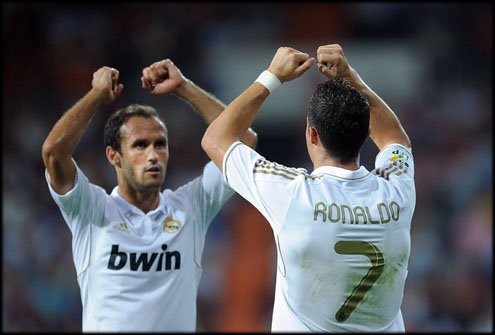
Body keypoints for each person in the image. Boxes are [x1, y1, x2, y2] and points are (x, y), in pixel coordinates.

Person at [201, 44, 415, 332]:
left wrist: (271, 76)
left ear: (312, 135)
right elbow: (394, 138)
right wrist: (350, 77)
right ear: (366, 135)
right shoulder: (397, 191)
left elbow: (216, 138)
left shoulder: (292, 193)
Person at [41, 59, 258, 331]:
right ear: (114, 156)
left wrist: (184, 87)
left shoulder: (191, 207)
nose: (153, 155)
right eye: (140, 145)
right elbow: (53, 152)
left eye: (160, 144)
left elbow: (244, 141)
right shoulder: (91, 210)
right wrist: (96, 96)